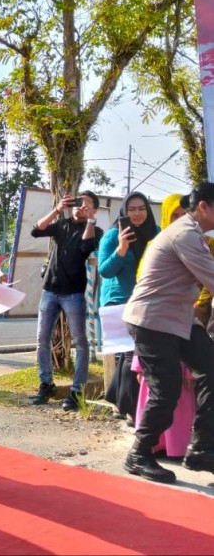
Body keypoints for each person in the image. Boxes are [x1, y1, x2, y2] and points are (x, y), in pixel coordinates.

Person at [122, 182, 214, 484]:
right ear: (204, 206)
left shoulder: (195, 234)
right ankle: (139, 453)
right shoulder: (185, 234)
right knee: (166, 390)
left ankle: (201, 448)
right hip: (152, 321)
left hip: (179, 320)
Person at [30, 191, 103, 410]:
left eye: (86, 204)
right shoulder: (61, 225)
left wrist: (90, 219)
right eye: (78, 203)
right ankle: (46, 384)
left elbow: (84, 248)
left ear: (94, 209)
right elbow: (36, 230)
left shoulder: (95, 230)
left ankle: (76, 391)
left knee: (80, 343)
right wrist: (58, 209)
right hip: (50, 289)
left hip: (74, 293)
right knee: (42, 339)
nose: (80, 206)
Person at [99, 192, 158, 424]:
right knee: (130, 353)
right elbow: (105, 271)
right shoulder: (113, 235)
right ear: (124, 211)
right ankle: (130, 409)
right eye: (131, 209)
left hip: (145, 301)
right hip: (119, 301)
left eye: (141, 208)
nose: (137, 214)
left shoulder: (156, 232)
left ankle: (116, 399)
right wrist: (122, 248)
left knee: (131, 354)